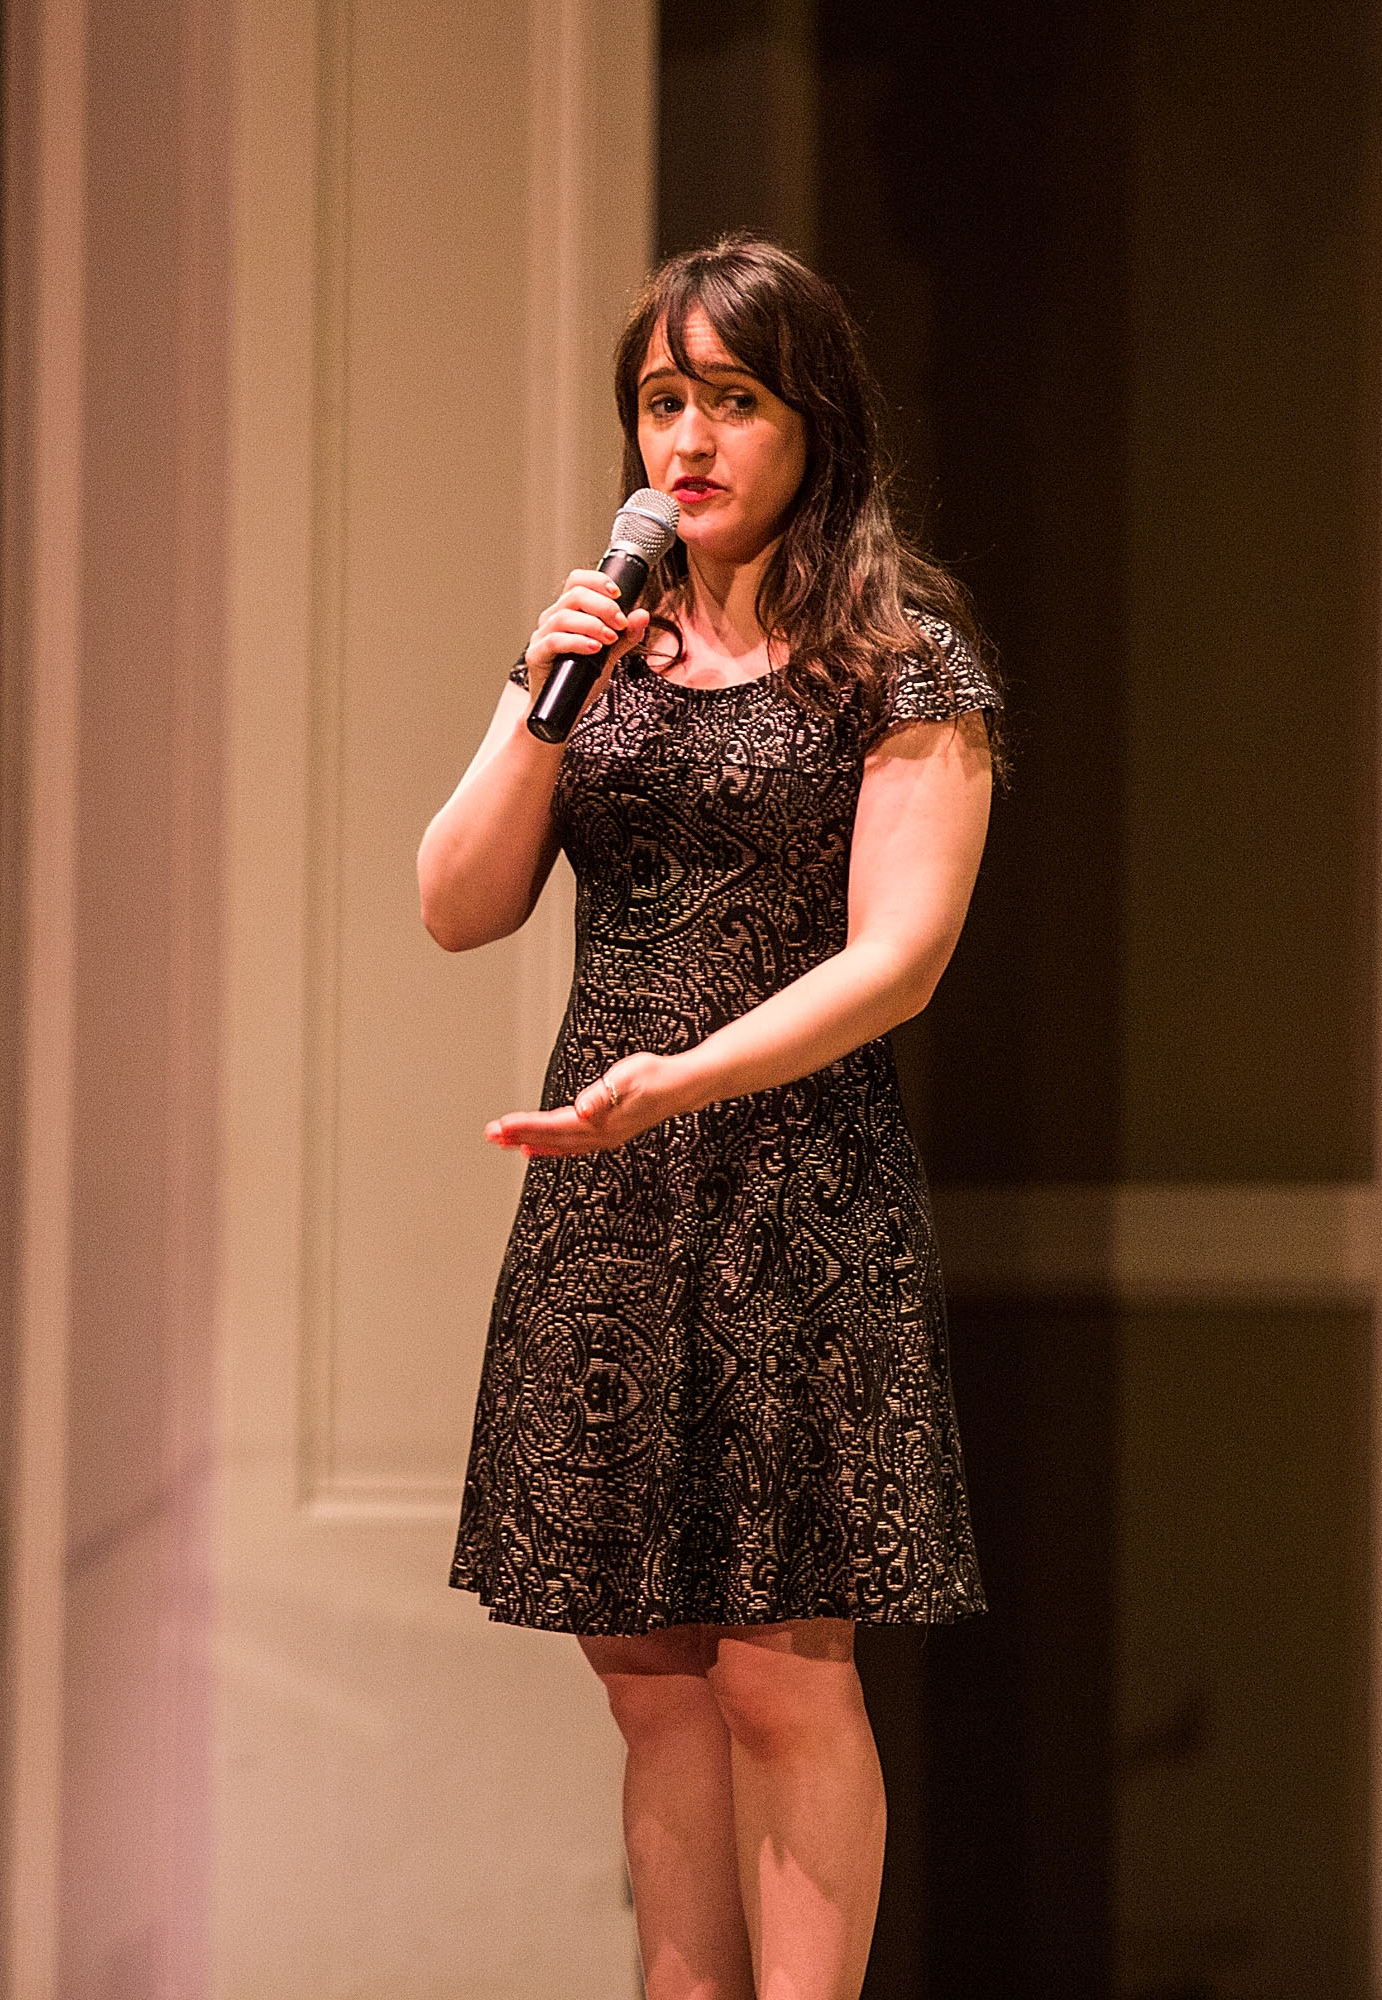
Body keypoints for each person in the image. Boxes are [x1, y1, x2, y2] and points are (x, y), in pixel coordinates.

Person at [417, 234, 999, 2000]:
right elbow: (455, 903)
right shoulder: (609, 651)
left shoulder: (901, 663)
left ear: (812, 422)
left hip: (793, 1194)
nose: (687, 441)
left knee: (778, 1667)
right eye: (661, 402)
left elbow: (898, 961)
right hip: (611, 1201)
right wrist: (542, 694)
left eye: (730, 401)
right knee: (647, 1670)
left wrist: (685, 1075)